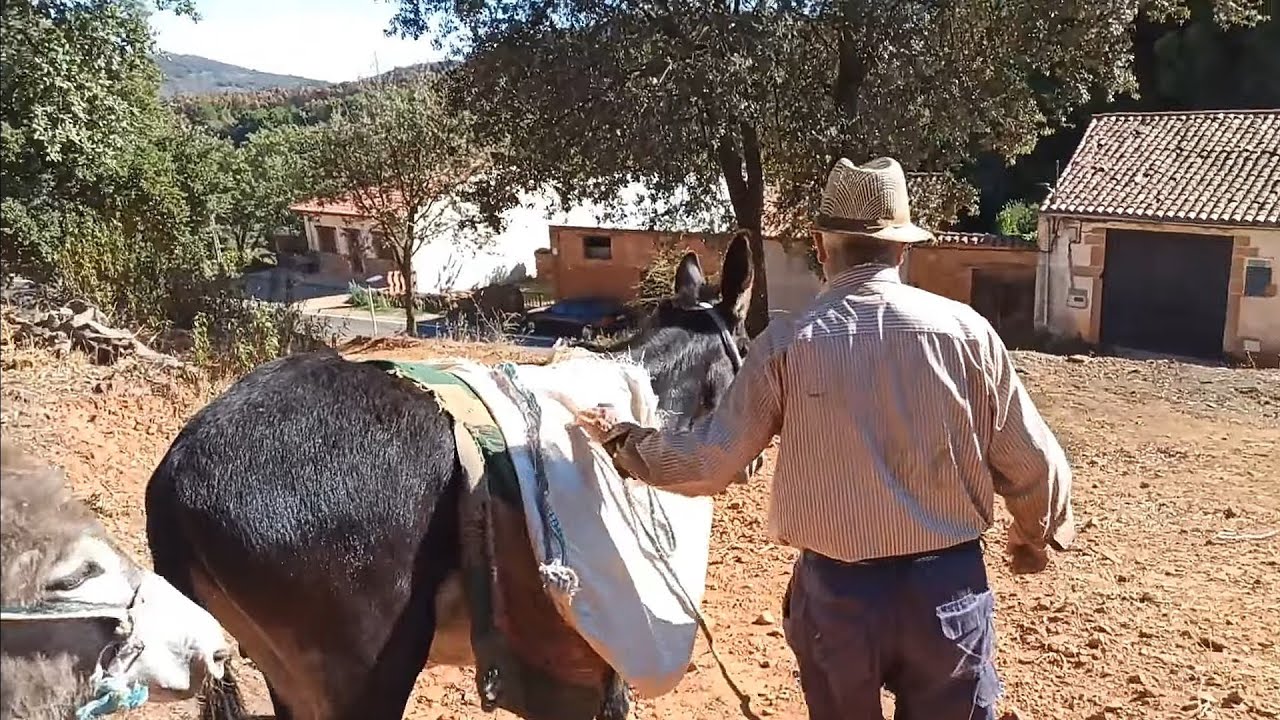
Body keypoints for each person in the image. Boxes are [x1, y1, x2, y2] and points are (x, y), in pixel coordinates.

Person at [575, 156, 1075, 720]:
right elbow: (1034, 460)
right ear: (903, 248)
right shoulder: (968, 333)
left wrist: (624, 440)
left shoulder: (787, 344)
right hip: (947, 591)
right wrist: (1035, 535)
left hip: (838, 598)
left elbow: (709, 463)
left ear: (820, 244)